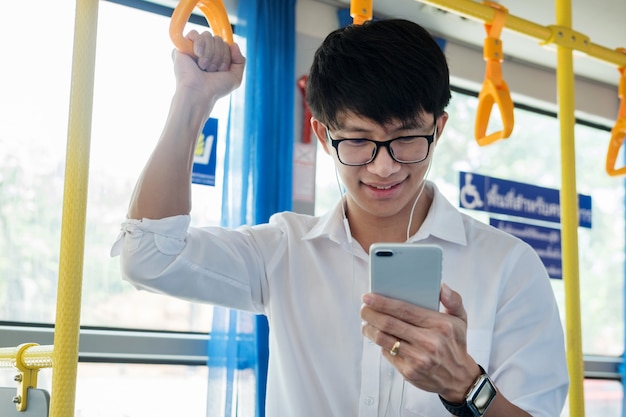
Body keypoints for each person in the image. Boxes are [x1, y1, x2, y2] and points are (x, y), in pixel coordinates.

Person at [112, 19, 568, 417]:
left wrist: (466, 385)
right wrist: (193, 98)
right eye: (357, 140)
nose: (383, 167)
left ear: (439, 129)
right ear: (322, 136)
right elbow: (147, 257)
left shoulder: (509, 266)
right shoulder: (283, 250)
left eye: (407, 138)